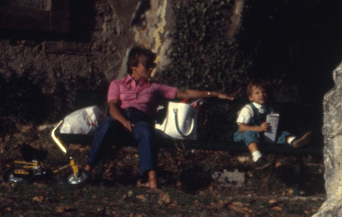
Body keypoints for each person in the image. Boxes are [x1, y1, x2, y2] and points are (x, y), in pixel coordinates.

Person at [84, 46, 233, 189]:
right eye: (147, 65)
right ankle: (86, 171)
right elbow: (113, 107)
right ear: (133, 66)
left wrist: (212, 94)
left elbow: (184, 93)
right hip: (120, 119)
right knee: (106, 126)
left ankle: (152, 180)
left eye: (152, 65)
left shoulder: (155, 87)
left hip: (140, 120)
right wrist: (123, 121)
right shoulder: (118, 84)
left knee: (145, 131)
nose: (151, 69)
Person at [233, 79, 312, 169]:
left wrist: (272, 128)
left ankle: (294, 141)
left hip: (262, 135)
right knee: (250, 133)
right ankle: (258, 159)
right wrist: (258, 129)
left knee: (280, 133)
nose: (261, 95)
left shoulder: (269, 108)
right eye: (257, 93)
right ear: (250, 97)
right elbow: (241, 128)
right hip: (245, 136)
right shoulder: (248, 109)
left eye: (263, 92)